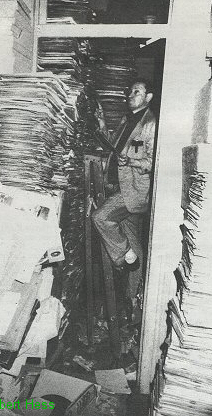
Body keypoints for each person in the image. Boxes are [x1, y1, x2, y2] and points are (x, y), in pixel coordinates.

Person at [92, 78, 156, 321]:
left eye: (136, 91)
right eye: (130, 91)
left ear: (148, 97)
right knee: (135, 246)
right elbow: (116, 148)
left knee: (101, 218)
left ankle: (123, 256)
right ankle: (134, 304)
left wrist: (132, 161)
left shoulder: (149, 124)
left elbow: (150, 162)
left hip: (132, 192)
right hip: (118, 187)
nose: (130, 94)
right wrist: (101, 124)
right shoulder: (127, 120)